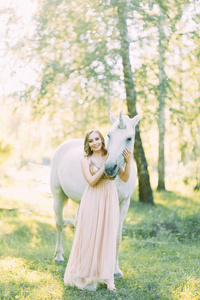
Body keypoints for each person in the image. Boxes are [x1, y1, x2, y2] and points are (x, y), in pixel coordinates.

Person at [64, 129, 131, 291]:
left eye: (97, 139)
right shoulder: (85, 160)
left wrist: (128, 162)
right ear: (87, 144)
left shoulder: (112, 156)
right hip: (92, 197)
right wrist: (105, 167)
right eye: (91, 141)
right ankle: (85, 272)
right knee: (90, 234)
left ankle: (108, 279)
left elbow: (125, 178)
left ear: (102, 140)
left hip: (109, 196)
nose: (94, 143)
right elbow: (92, 181)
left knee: (108, 234)